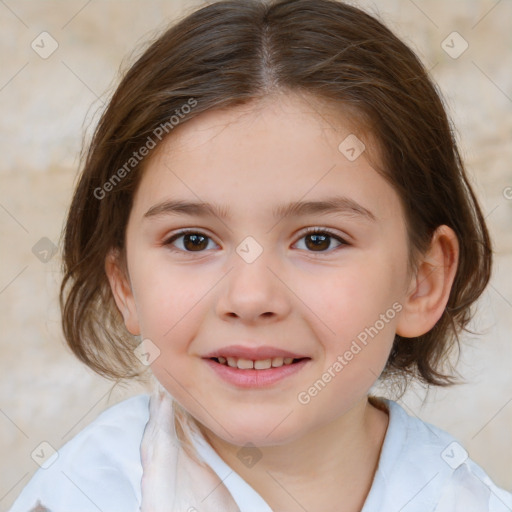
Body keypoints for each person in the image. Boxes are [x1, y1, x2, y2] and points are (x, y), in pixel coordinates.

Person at [9, 0, 512, 511]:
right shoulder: (79, 497)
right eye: (193, 240)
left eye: (319, 240)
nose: (250, 298)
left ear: (421, 281)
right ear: (124, 283)